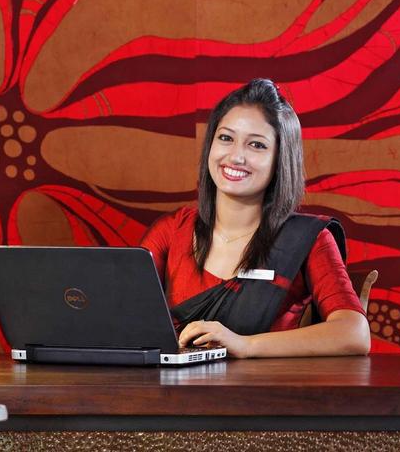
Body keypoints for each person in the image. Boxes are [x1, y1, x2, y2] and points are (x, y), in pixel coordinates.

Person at [141, 78, 371, 357]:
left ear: (280, 159)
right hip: (173, 396)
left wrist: (245, 344)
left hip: (265, 397)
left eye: (257, 145)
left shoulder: (308, 239)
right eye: (226, 138)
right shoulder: (172, 230)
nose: (236, 156)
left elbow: (354, 333)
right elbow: (123, 310)